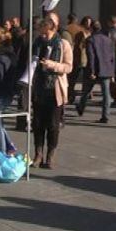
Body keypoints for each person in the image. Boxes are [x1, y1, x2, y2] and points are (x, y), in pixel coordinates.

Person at [32, 17, 73, 169]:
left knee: (53, 125)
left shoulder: (63, 44)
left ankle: (50, 156)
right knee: (37, 124)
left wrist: (52, 65)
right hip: (39, 88)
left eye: (45, 33)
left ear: (53, 30)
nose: (43, 36)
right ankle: (38, 154)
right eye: (41, 33)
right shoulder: (37, 43)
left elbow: (69, 67)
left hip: (55, 90)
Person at [77, 20, 115, 123]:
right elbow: (112, 56)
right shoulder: (108, 40)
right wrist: (112, 71)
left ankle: (81, 107)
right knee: (106, 94)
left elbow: (91, 56)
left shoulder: (90, 40)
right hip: (106, 69)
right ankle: (105, 115)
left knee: (86, 91)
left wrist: (92, 71)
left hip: (95, 69)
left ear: (91, 28)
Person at [68, 16, 93, 104]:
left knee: (85, 77)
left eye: (89, 22)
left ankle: (85, 93)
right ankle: (71, 94)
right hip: (80, 57)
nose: (88, 24)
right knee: (74, 77)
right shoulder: (80, 32)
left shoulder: (89, 32)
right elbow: (78, 46)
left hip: (86, 58)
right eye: (87, 22)